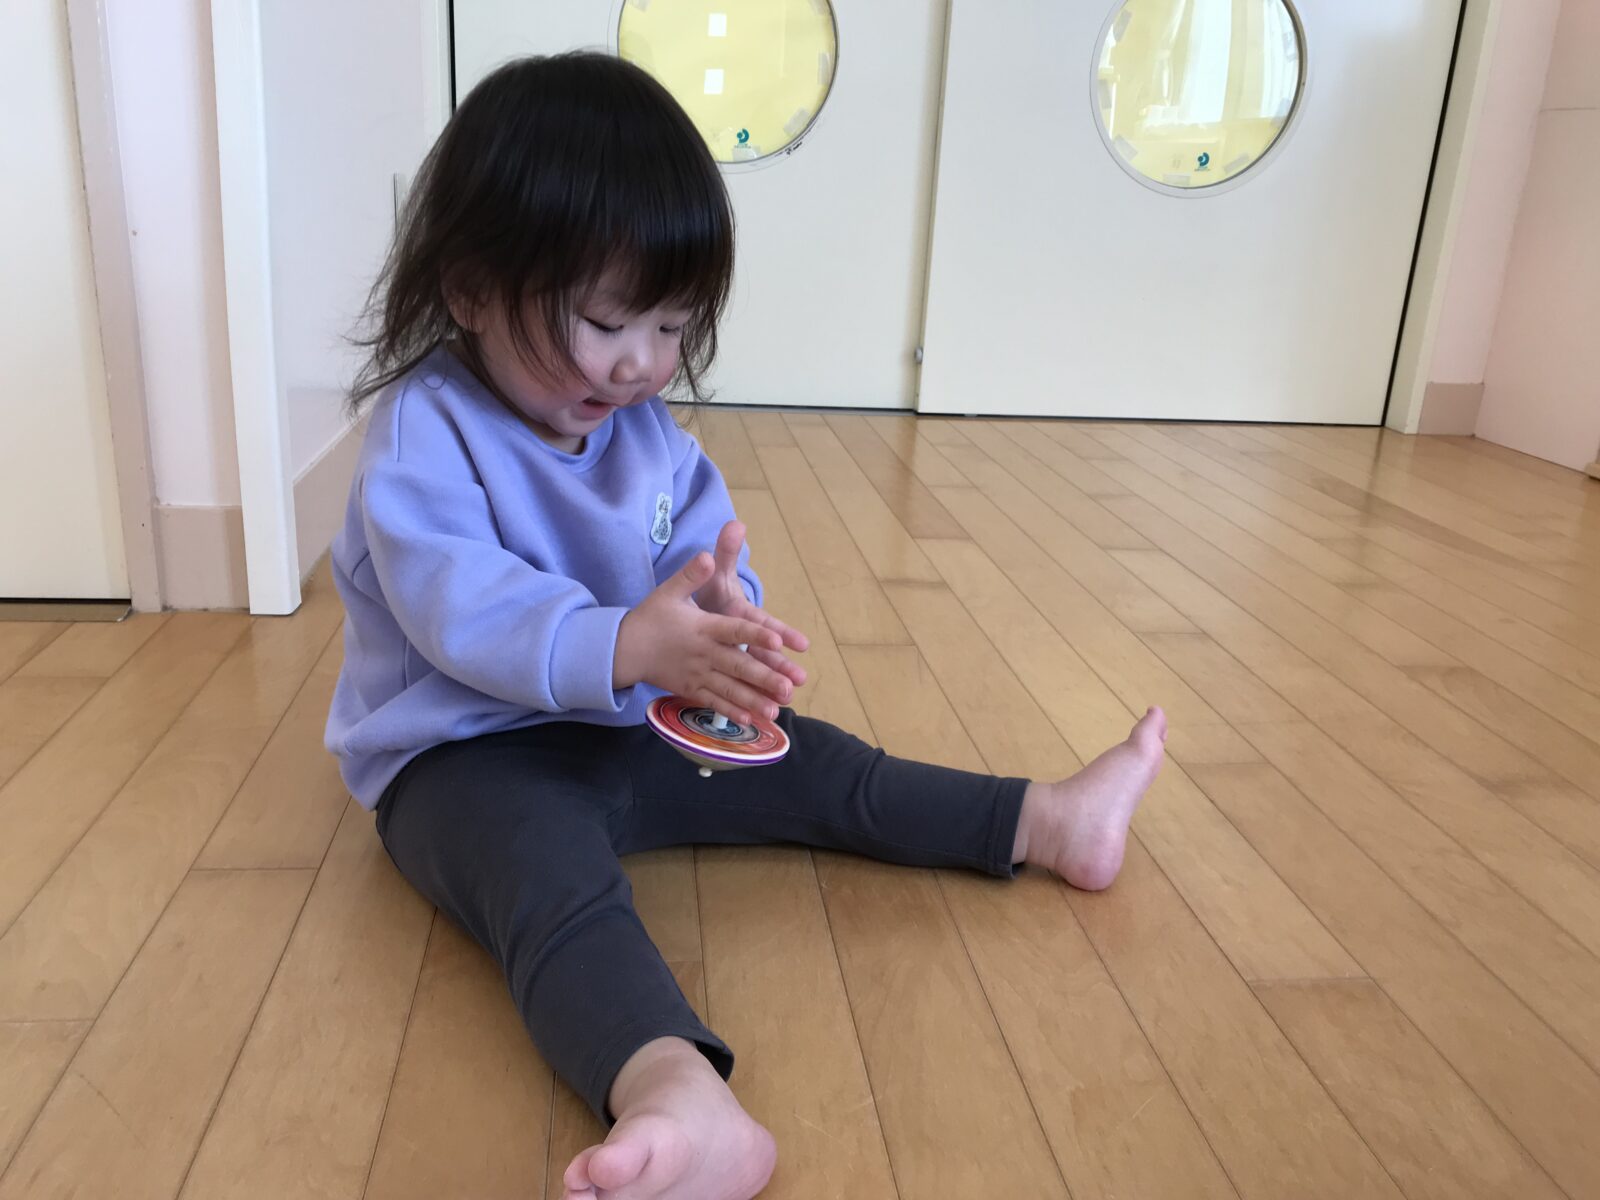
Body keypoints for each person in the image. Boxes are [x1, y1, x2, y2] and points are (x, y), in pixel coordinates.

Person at [326, 52, 1166, 1200]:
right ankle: (674, 1090)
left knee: (822, 767)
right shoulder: (426, 428)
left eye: (671, 325)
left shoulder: (642, 429)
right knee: (551, 884)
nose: (640, 361)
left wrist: (729, 628)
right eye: (606, 320)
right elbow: (455, 605)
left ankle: (1043, 820)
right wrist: (627, 643)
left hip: (631, 722)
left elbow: (706, 553)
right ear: (471, 288)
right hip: (464, 756)